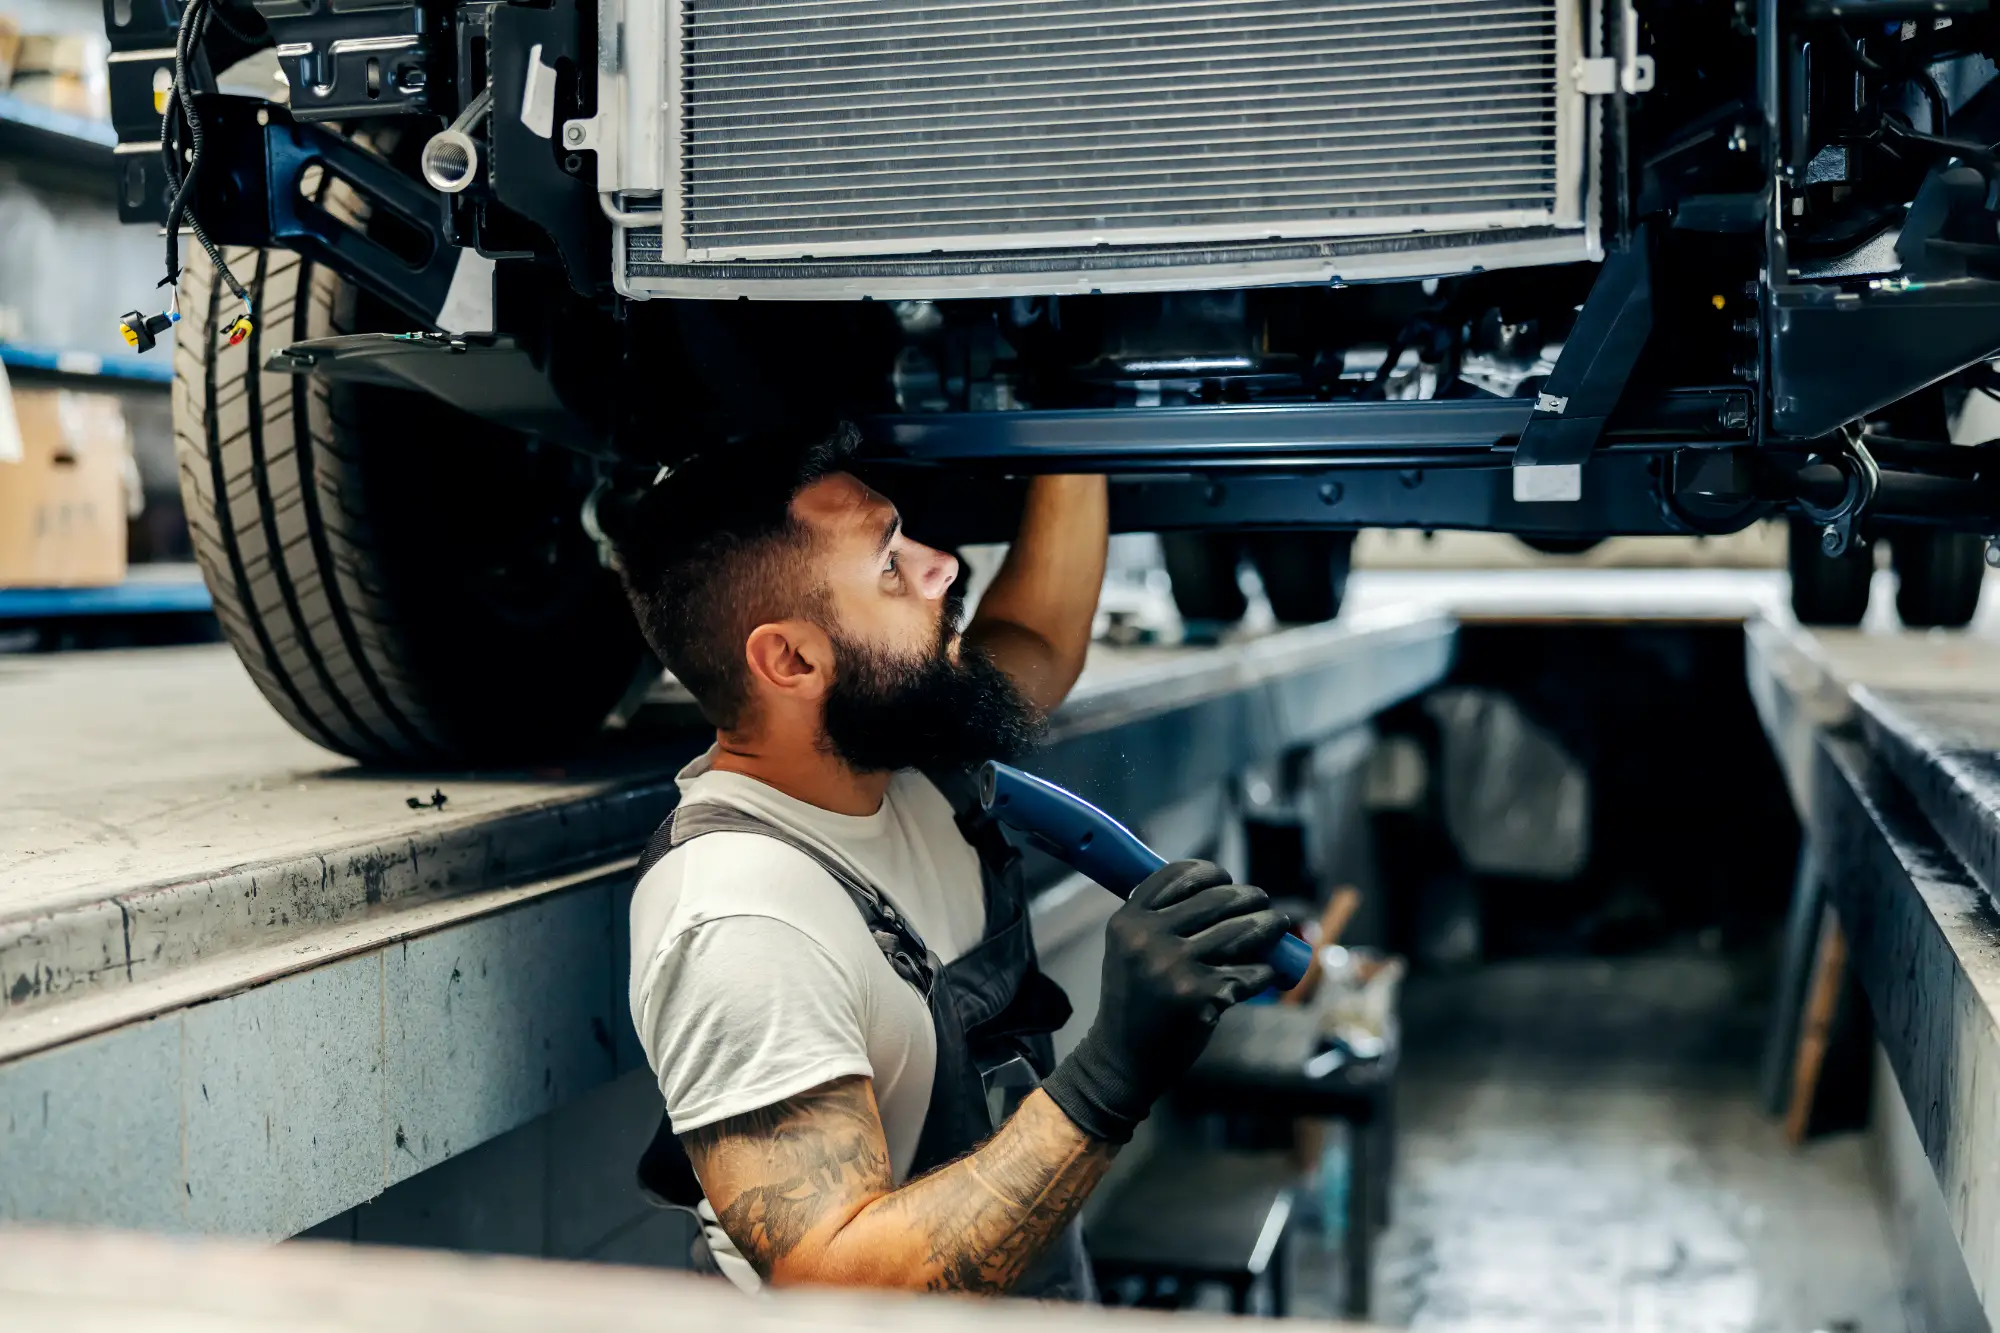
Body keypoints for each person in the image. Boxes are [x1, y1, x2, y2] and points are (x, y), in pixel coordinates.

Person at [615, 422, 1288, 1297]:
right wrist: (1112, 1071)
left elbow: (1037, 637)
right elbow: (835, 1281)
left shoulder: (906, 766)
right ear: (790, 656)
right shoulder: (742, 917)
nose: (943, 567)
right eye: (891, 565)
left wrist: (1073, 406)